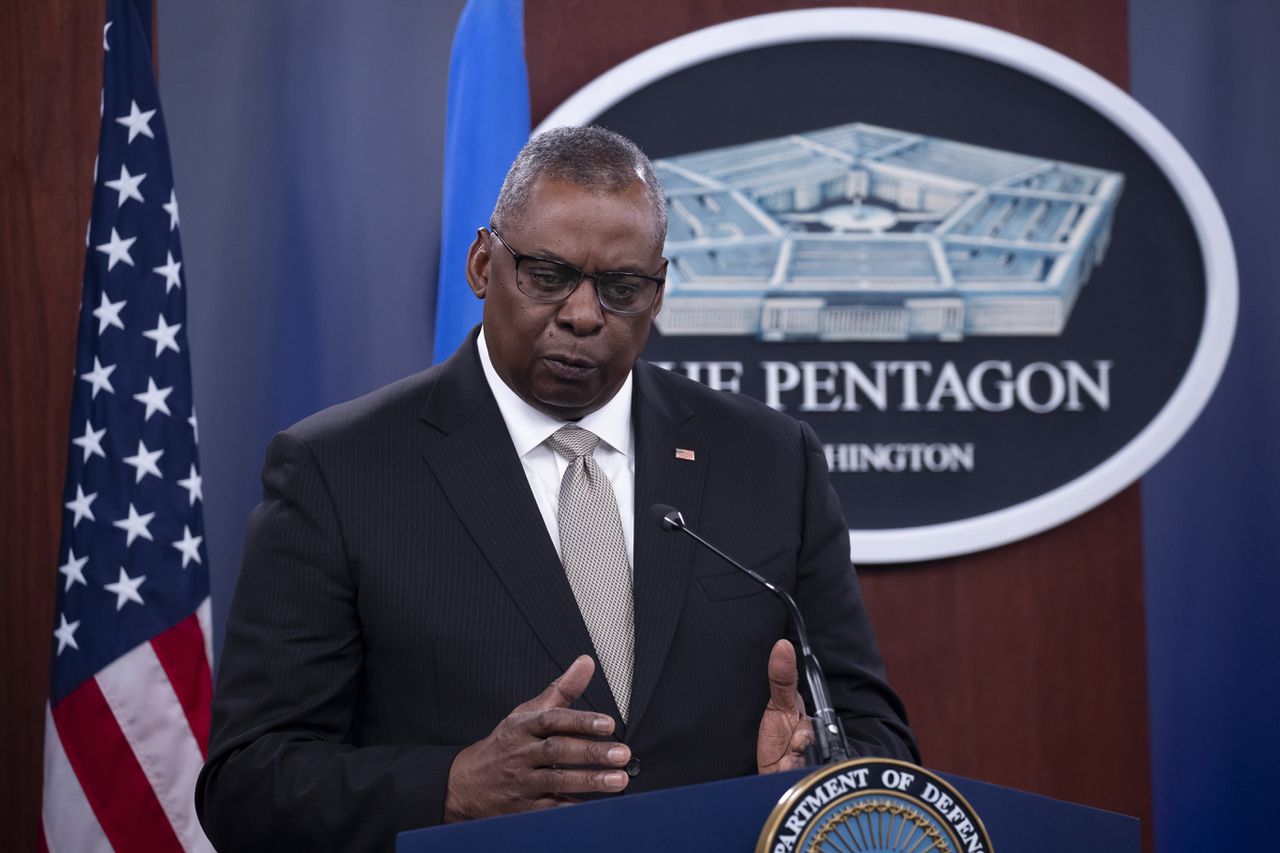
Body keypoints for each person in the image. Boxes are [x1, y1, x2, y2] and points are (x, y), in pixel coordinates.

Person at [195, 126, 916, 851]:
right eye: (548, 275)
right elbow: (248, 783)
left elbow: (875, 736)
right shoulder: (339, 471)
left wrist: (812, 775)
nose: (582, 314)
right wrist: (452, 786)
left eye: (620, 288)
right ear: (482, 264)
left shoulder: (769, 461)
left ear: (657, 292)